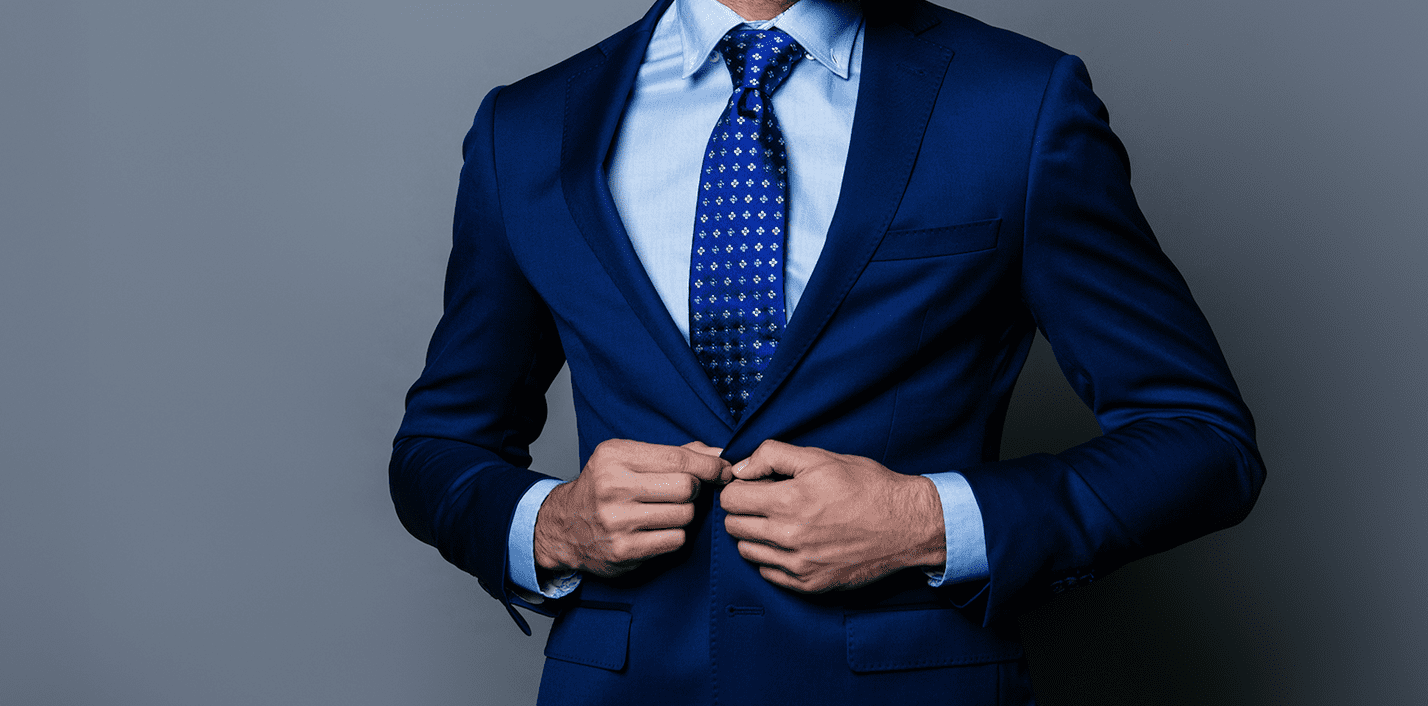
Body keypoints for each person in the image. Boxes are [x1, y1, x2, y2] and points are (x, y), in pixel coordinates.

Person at [389, 0, 1263, 702]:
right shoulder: (527, 126)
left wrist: (930, 522)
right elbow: (440, 446)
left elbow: (1203, 441)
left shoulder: (1017, 100)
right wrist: (550, 524)